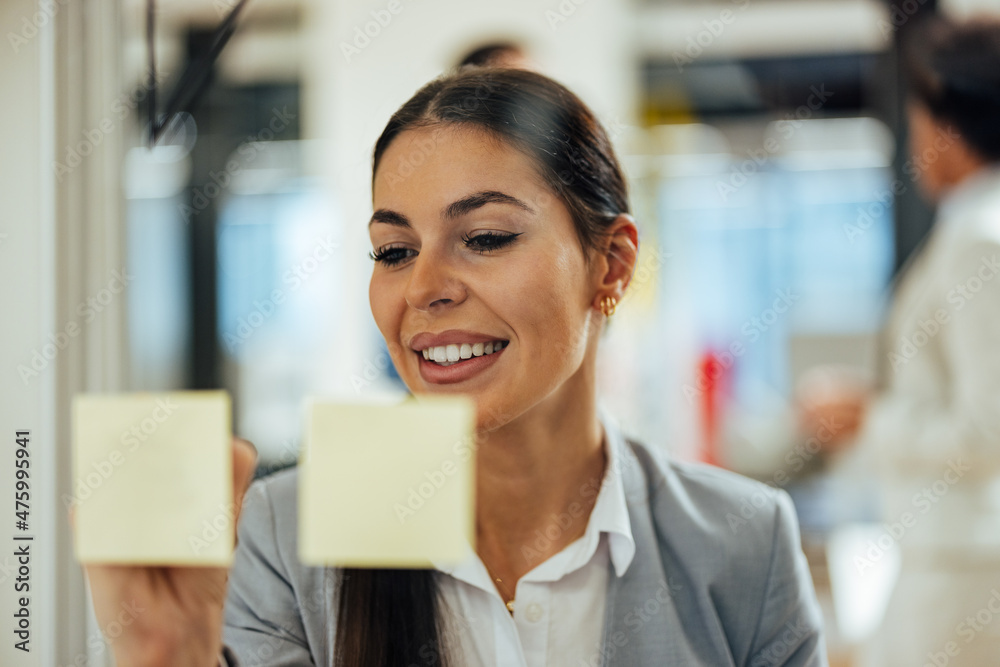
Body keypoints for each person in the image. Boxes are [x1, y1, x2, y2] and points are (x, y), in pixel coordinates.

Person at [80, 67, 826, 666]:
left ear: (613, 262)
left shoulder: (743, 543)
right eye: (394, 251)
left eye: (487, 236)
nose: (426, 287)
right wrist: (169, 659)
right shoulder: (288, 533)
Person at [799, 16, 1000, 667]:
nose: (913, 145)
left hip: (964, 561)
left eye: (914, 121)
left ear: (947, 123)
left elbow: (988, 428)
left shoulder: (980, 242)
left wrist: (866, 415)